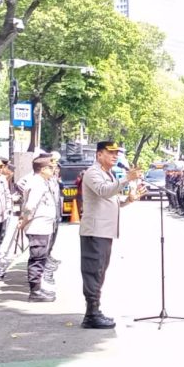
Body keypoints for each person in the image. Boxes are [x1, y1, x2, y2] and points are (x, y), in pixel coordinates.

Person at [78, 141, 143, 329]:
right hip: (95, 230)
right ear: (99, 155)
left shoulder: (108, 173)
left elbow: (111, 199)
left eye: (117, 153)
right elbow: (103, 191)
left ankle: (95, 310)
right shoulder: (93, 173)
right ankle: (91, 314)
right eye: (111, 152)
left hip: (104, 231)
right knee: (93, 271)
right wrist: (126, 179)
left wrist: (128, 200)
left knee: (99, 271)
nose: (115, 156)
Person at [21, 155, 59, 302]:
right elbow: (30, 207)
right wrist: (24, 221)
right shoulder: (37, 183)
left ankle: (37, 288)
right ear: (43, 169)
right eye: (50, 167)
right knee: (37, 258)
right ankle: (35, 292)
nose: (53, 168)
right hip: (37, 226)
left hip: (43, 226)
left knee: (41, 258)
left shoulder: (43, 182)